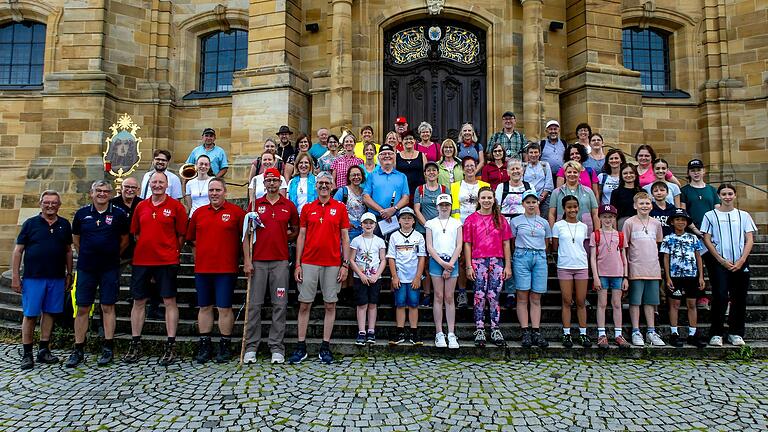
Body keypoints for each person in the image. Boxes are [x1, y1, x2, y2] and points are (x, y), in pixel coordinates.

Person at [124, 171, 187, 365]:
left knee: (169, 301)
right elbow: (135, 233)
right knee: (139, 301)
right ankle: (135, 343)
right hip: (142, 260)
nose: (157, 185)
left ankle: (171, 344)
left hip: (166, 260)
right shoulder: (141, 206)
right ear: (149, 184)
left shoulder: (176, 206)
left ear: (167, 185)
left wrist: (172, 251)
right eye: (154, 182)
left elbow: (181, 235)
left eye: (161, 182)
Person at [66, 181, 129, 368]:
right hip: (87, 267)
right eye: (98, 191)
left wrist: (113, 255)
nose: (102, 194)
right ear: (91, 193)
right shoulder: (82, 213)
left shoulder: (119, 214)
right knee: (83, 307)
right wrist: (86, 252)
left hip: (109, 267)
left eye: (105, 191)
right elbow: (76, 239)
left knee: (108, 306)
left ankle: (108, 346)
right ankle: (78, 348)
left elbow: (125, 239)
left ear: (110, 194)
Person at [289, 172, 351, 364]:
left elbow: (345, 238)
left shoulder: (340, 208)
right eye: (320, 183)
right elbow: (301, 236)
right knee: (305, 304)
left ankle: (325, 346)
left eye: (327, 183)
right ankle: (301, 346)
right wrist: (298, 263)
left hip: (332, 263)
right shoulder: (307, 208)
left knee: (330, 304)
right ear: (316, 186)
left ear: (332, 186)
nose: (324, 186)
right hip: (309, 262)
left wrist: (345, 264)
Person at [186, 178, 246, 364]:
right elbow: (191, 240)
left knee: (224, 308)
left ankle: (224, 345)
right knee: (204, 307)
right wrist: (200, 257)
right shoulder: (199, 213)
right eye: (211, 190)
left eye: (217, 190)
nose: (214, 193)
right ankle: (205, 345)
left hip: (226, 269)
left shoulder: (236, 213)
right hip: (203, 269)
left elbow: (244, 239)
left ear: (225, 192)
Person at [243, 168, 300, 364]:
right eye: (268, 180)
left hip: (280, 261)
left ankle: (276, 346)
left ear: (280, 183)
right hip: (258, 261)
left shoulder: (288, 205)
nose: (272, 184)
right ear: (264, 183)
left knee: (279, 305)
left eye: (275, 181)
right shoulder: (255, 205)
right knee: (254, 305)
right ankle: (251, 346)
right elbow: (246, 235)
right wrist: (247, 261)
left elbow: (296, 229)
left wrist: (285, 238)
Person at [12, 190, 73, 370]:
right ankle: (27, 353)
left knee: (50, 313)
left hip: (56, 277)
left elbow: (68, 251)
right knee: (30, 315)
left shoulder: (64, 224)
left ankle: (44, 349)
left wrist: (69, 274)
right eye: (47, 202)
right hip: (33, 277)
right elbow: (18, 251)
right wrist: (15, 276)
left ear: (59, 205)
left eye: (54, 203)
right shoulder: (30, 224)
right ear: (41, 203)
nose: (50, 205)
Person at [701, 184, 757, 347]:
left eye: (730, 194)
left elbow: (749, 238)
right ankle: (716, 333)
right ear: (719, 196)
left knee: (739, 298)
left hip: (740, 262)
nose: (727, 197)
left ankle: (736, 333)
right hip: (720, 262)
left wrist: (741, 260)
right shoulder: (710, 215)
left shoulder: (743, 215)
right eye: (724, 194)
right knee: (720, 296)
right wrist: (720, 259)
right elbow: (707, 238)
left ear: (735, 195)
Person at [464, 187, 512, 347]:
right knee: (479, 295)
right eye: (483, 198)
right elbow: (468, 244)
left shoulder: (501, 219)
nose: (486, 201)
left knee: (493, 296)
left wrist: (508, 265)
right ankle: (479, 328)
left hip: (496, 261)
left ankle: (494, 327)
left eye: (489, 198)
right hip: (478, 261)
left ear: (493, 199)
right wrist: (469, 265)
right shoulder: (471, 219)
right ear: (478, 200)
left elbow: (506, 244)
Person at [622, 192, 665, 347]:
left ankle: (651, 331)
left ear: (651, 205)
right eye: (641, 204)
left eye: (647, 203)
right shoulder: (629, 223)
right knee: (635, 301)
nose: (644, 206)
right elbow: (625, 247)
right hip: (635, 268)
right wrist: (625, 272)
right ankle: (635, 330)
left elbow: (658, 243)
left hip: (652, 268)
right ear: (635, 206)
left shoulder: (656, 224)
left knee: (650, 301)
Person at [660, 209, 707, 348]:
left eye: (683, 220)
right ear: (672, 222)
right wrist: (667, 277)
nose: (680, 222)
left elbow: (698, 257)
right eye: (677, 220)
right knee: (674, 305)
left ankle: (693, 333)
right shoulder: (668, 238)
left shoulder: (692, 238)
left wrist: (701, 276)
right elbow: (666, 258)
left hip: (691, 276)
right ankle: (674, 333)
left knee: (691, 304)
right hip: (675, 276)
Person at [510, 190, 551, 348]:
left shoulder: (544, 222)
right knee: (522, 295)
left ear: (537, 203)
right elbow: (512, 241)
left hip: (539, 257)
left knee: (536, 296)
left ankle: (536, 330)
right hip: (522, 255)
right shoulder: (516, 221)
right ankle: (525, 330)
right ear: (523, 204)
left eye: (533, 202)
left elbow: (547, 242)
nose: (531, 204)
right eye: (528, 202)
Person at [589, 204, 631, 349]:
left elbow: (624, 257)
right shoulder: (596, 234)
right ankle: (602, 334)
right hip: (602, 274)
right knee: (601, 304)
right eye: (605, 217)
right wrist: (595, 276)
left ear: (615, 218)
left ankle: (618, 333)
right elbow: (593, 258)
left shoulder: (619, 235)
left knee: (617, 304)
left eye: (611, 217)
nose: (608, 219)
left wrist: (626, 276)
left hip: (618, 274)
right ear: (600, 218)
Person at [679, 158, 720, 309]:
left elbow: (717, 210)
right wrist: (696, 230)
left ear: (703, 171)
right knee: (696, 266)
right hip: (694, 233)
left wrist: (710, 232)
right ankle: (700, 296)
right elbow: (683, 213)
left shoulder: (711, 190)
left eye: (698, 170)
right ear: (689, 173)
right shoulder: (685, 191)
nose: (696, 173)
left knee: (714, 265)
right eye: (693, 170)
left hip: (711, 235)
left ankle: (718, 296)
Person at [552, 195, 591, 348]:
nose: (572, 209)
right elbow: (555, 246)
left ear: (578, 208)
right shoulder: (558, 225)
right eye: (569, 207)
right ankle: (566, 333)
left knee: (581, 301)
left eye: (575, 206)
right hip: (565, 266)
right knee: (567, 301)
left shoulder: (583, 226)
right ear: (564, 208)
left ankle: (583, 334)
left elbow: (584, 245)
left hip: (581, 266)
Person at [450, 156, 489, 309]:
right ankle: (462, 292)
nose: (470, 168)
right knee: (461, 260)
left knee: (479, 259)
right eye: (466, 166)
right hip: (460, 226)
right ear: (462, 168)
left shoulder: (484, 185)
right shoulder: (455, 186)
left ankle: (479, 291)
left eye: (472, 165)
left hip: (480, 226)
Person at [425, 193, 462, 349]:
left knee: (449, 297)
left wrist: (450, 264)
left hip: (452, 261)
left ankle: (451, 333)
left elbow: (459, 245)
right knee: (438, 296)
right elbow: (430, 246)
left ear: (451, 206)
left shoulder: (457, 223)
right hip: (436, 261)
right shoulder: (430, 223)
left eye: (447, 204)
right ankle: (439, 332)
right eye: (442, 205)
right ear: (437, 207)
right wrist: (442, 263)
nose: (444, 207)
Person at [387, 207, 426, 345]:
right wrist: (394, 276)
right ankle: (400, 332)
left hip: (413, 277)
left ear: (414, 221)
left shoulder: (419, 236)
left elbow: (422, 258)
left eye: (409, 218)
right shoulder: (394, 236)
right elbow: (391, 258)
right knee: (400, 304)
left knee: (414, 304)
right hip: (400, 277)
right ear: (398, 221)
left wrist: (417, 277)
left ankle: (414, 332)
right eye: (403, 218)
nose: (406, 220)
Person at [348, 212, 387, 345]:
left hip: (375, 277)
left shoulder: (379, 241)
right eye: (366, 223)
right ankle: (361, 331)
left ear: (375, 225)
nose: (368, 225)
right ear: (361, 224)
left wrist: (376, 275)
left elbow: (383, 260)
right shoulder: (356, 240)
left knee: (372, 304)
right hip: (360, 277)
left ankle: (371, 330)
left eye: (371, 223)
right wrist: (361, 274)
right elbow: (352, 260)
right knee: (362, 304)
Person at [413, 162, 446, 306]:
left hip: (441, 231)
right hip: (423, 230)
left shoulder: (444, 189)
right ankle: (426, 294)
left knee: (441, 261)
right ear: (425, 174)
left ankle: (441, 294)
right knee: (425, 263)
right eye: (429, 171)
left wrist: (437, 226)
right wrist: (428, 225)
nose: (431, 172)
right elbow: (416, 209)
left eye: (434, 170)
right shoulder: (420, 190)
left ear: (438, 173)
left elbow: (447, 208)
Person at [362, 144, 410, 226]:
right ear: (379, 157)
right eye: (383, 154)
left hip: (395, 219)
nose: (387, 156)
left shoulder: (402, 176)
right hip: (375, 220)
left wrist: (393, 209)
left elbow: (406, 198)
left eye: (390, 154)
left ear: (394, 156)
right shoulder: (372, 176)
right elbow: (366, 197)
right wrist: (382, 211)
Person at [548, 161, 599, 235]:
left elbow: (595, 214)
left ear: (579, 173)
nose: (572, 174)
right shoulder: (556, 192)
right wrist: (553, 233)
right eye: (569, 172)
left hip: (586, 233)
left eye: (575, 172)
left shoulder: (588, 191)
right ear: (565, 173)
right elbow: (552, 214)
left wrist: (597, 234)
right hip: (563, 233)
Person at [111, 177, 142, 262]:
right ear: (121, 188)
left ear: (138, 190)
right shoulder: (111, 204)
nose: (130, 190)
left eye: (133, 187)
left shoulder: (143, 204)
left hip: (137, 250)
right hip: (117, 249)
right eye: (127, 187)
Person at [333, 165, 367, 242]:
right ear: (348, 177)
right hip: (348, 231)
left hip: (363, 231)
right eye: (353, 175)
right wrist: (344, 223)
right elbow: (333, 209)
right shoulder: (343, 191)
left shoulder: (365, 192)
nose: (356, 177)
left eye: (358, 175)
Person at [522, 142, 553, 215]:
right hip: (527, 199)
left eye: (536, 152)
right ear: (527, 154)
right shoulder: (523, 166)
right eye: (531, 152)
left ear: (539, 153)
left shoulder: (545, 165)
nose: (533, 155)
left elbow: (549, 183)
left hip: (543, 199)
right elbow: (521, 183)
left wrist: (540, 198)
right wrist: (531, 199)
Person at [396, 131, 428, 198]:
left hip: (419, 192)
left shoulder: (421, 155)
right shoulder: (396, 156)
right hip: (402, 193)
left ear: (415, 141)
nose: (408, 141)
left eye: (411, 138)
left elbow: (426, 174)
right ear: (402, 141)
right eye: (406, 139)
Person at [610, 163, 642, 228]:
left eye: (631, 172)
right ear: (621, 176)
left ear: (636, 175)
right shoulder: (616, 193)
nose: (628, 175)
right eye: (625, 173)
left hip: (640, 223)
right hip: (622, 224)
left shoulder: (642, 192)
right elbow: (613, 213)